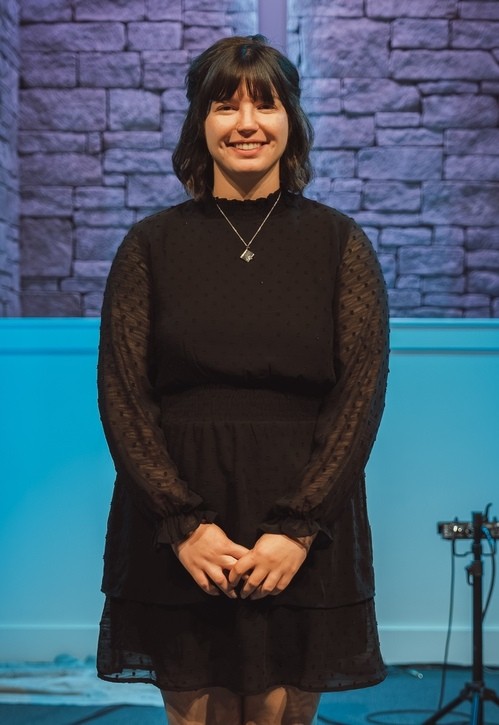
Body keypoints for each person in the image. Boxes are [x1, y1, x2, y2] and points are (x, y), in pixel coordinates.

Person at [96, 34, 389, 725]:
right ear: (201, 122)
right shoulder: (149, 245)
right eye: (226, 106)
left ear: (291, 120)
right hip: (179, 518)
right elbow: (124, 396)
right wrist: (182, 523)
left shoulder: (339, 243)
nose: (247, 123)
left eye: (266, 105)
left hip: (302, 512)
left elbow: (359, 397)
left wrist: (297, 528)